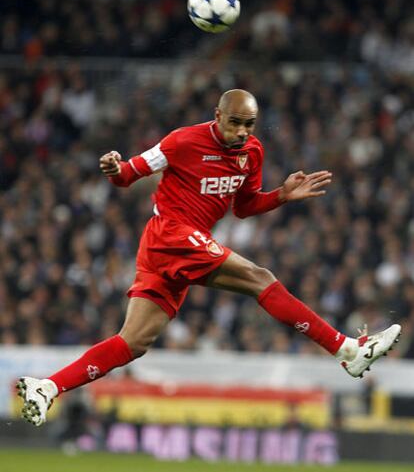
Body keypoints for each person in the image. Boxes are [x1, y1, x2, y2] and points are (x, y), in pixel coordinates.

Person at [17, 89, 401, 426]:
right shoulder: (181, 142)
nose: (242, 132)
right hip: (171, 234)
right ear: (217, 116)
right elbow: (128, 174)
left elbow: (245, 206)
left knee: (133, 342)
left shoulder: (252, 152)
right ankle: (347, 349)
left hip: (177, 246)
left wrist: (281, 196)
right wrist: (115, 168)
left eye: (249, 124)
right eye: (234, 123)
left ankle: (48, 386)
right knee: (259, 278)